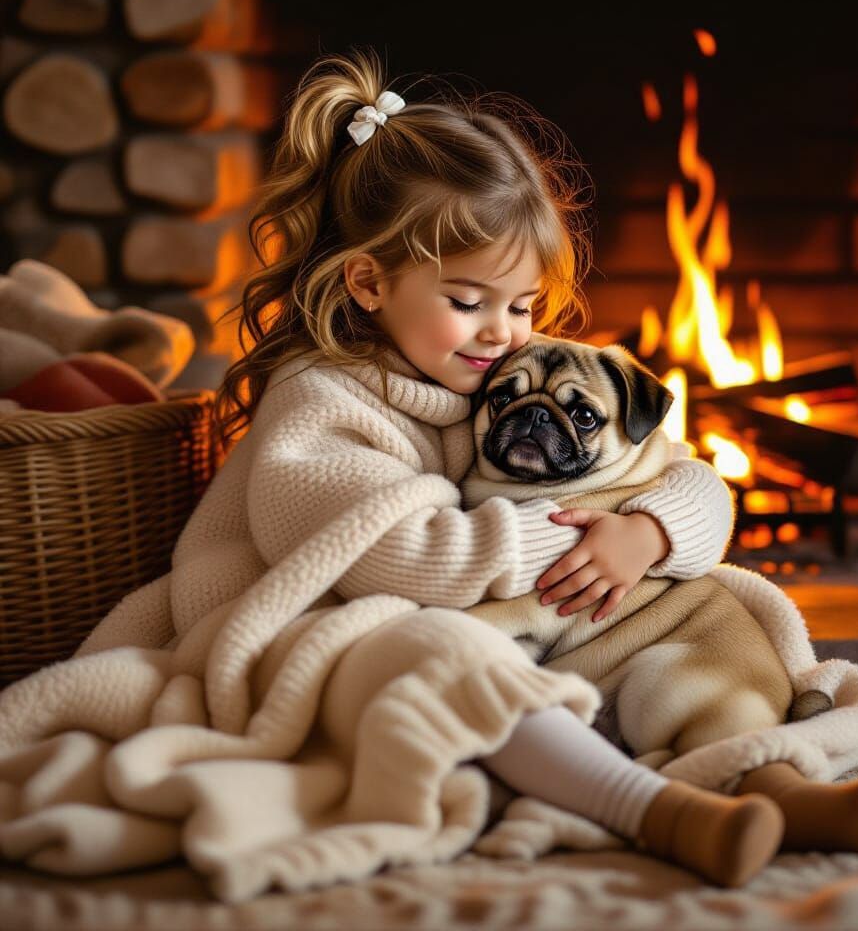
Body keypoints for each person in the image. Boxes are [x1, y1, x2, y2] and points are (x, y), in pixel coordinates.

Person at [198, 47, 781, 886]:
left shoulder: (483, 372)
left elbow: (683, 471)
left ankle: (774, 783)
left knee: (714, 612)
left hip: (459, 621)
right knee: (446, 653)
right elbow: (413, 560)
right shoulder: (318, 401)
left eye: (523, 305)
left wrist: (650, 531)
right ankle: (657, 811)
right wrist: (581, 538)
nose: (502, 331)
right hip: (305, 628)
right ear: (368, 282)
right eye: (468, 302)